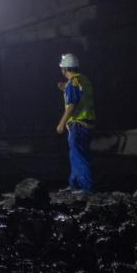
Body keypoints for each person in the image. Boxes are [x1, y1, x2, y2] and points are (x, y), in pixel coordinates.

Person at [56, 53, 95, 193]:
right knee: (76, 155)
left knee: (78, 156)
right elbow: (80, 93)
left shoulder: (72, 82)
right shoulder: (84, 80)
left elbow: (72, 104)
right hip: (86, 123)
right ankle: (75, 184)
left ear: (64, 69)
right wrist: (65, 88)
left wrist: (61, 123)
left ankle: (86, 187)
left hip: (78, 124)